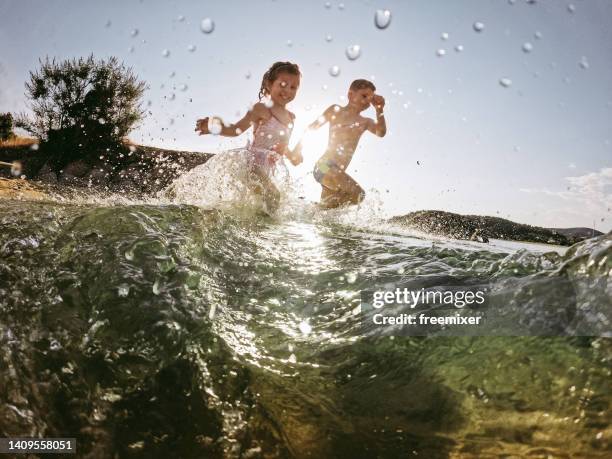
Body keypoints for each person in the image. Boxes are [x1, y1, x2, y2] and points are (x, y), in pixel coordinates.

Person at [194, 61, 303, 213]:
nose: (288, 91)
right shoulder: (261, 109)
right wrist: (213, 126)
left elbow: (282, 147)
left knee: (260, 207)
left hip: (268, 170)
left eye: (293, 87)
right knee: (273, 197)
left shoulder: (291, 118)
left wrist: (294, 157)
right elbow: (235, 130)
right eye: (282, 84)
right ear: (269, 84)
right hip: (252, 165)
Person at [306, 79, 386, 208]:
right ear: (350, 95)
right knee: (359, 195)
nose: (366, 101)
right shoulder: (336, 110)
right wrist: (297, 149)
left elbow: (380, 132)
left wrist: (379, 110)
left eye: (370, 99)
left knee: (325, 213)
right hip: (324, 166)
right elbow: (312, 127)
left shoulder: (365, 122)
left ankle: (309, 209)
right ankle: (318, 208)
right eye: (364, 96)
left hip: (338, 173)